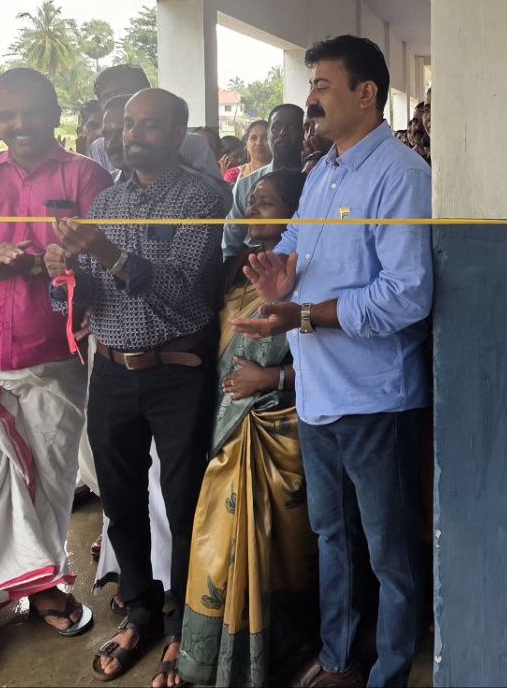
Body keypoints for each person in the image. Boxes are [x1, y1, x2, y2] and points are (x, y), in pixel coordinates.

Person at [230, 35, 432, 688]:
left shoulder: (400, 176)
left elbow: (407, 294)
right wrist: (278, 283)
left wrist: (308, 315)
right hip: (318, 390)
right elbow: (295, 255)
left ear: (365, 93)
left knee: (390, 551)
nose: (310, 96)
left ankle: (391, 671)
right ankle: (340, 657)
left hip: (375, 396)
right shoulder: (323, 175)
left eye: (322, 83)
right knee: (331, 534)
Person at [0, 68, 112, 688]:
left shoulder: (86, 176)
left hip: (56, 361)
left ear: (55, 111)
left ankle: (41, 587)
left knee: (52, 486)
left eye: (28, 113)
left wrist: (59, 262)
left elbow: (111, 262)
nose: (17, 126)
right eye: (5, 117)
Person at [46, 87, 226, 687]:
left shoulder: (203, 198)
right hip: (114, 373)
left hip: (179, 374)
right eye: (127, 125)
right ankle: (142, 609)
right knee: (120, 502)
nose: (133, 135)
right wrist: (64, 275)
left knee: (182, 503)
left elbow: (180, 292)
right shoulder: (108, 197)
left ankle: (182, 628)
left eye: (149, 126)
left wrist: (101, 247)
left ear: (177, 135)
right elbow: (91, 294)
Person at [178, 168, 317, 687]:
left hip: (283, 430)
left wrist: (271, 375)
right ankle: (213, 657)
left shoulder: (309, 267)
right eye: (252, 202)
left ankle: (281, 653)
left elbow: (332, 356)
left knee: (279, 551)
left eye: (268, 202)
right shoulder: (233, 267)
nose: (255, 212)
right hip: (229, 430)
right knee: (220, 541)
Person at [87, 64, 222, 184]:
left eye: (122, 94)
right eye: (106, 98)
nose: (115, 102)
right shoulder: (100, 147)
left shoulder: (193, 144)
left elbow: (218, 198)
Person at [221, 104, 305, 260]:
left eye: (293, 127)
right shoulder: (245, 185)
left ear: (304, 132)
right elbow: (230, 245)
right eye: (275, 128)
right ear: (268, 136)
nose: (283, 133)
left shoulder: (315, 181)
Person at [225, 119, 271, 184]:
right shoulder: (233, 175)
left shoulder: (280, 174)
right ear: (246, 143)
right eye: (253, 138)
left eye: (265, 138)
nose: (258, 143)